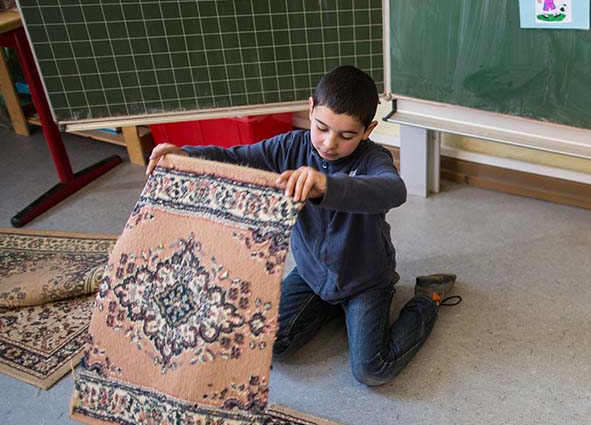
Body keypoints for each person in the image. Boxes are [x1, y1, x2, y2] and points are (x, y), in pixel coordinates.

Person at [146, 65, 460, 386]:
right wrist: (186, 155)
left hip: (365, 281)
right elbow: (237, 158)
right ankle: (330, 308)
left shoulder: (372, 159)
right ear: (310, 109)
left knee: (371, 370)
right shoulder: (289, 147)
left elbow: (394, 190)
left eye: (346, 135)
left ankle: (428, 299)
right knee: (269, 344)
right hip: (312, 275)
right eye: (321, 127)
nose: (329, 143)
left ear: (368, 130)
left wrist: (327, 185)